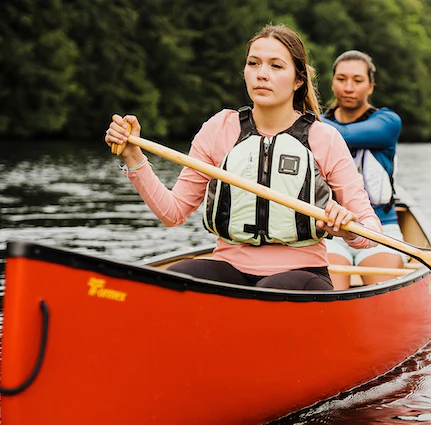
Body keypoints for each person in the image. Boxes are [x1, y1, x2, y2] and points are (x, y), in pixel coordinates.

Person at [104, 25, 380, 291]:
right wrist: (133, 157)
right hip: (230, 268)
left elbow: (370, 228)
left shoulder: (324, 138)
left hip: (303, 275)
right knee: (176, 279)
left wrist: (347, 228)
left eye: (276, 66)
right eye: (253, 63)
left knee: (271, 290)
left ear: (298, 80)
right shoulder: (219, 128)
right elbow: (172, 213)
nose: (262, 74)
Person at [322, 50, 404, 290]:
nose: (348, 87)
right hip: (329, 228)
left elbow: (343, 135)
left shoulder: (388, 122)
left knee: (384, 292)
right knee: (329, 290)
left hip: (380, 226)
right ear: (332, 82)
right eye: (341, 79)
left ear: (370, 86)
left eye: (357, 81)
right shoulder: (315, 123)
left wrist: (304, 119)